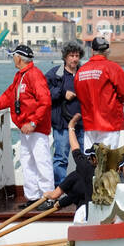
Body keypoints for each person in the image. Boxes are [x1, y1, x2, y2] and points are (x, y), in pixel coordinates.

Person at [0, 44, 52, 208]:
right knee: (27, 162)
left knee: (42, 161)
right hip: (25, 129)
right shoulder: (20, 76)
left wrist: (33, 122)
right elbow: (8, 96)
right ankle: (33, 198)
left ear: (19, 58)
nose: (12, 59)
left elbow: (45, 101)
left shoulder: (34, 75)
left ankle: (48, 198)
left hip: (36, 128)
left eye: (13, 56)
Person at [74, 35, 124, 149]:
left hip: (89, 122)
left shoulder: (81, 71)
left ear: (92, 51)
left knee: (90, 159)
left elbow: (79, 94)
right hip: (110, 121)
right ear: (107, 51)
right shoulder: (113, 68)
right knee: (107, 160)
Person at [45, 41, 84, 182]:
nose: (74, 59)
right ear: (65, 57)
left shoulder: (83, 73)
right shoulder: (55, 74)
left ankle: (82, 189)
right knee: (61, 158)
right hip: (62, 124)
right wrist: (62, 93)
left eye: (77, 56)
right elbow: (44, 93)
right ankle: (60, 190)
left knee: (84, 159)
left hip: (82, 125)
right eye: (71, 55)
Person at [40, 117, 95, 211]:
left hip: (84, 215)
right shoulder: (107, 173)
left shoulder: (80, 171)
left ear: (93, 158)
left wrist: (71, 128)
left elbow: (55, 195)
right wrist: (61, 203)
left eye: (88, 157)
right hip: (101, 214)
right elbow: (74, 196)